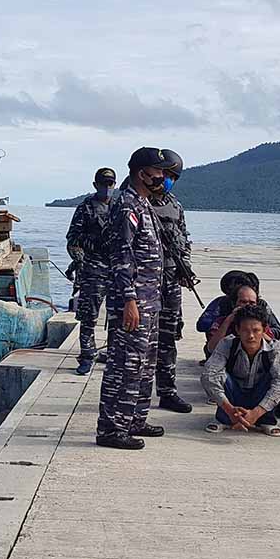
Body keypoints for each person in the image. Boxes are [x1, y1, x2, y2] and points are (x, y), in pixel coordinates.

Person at [96, 147, 175, 450]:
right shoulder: (125, 205)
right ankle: (111, 428)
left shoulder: (144, 203)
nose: (162, 177)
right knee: (124, 365)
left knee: (144, 364)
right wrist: (129, 299)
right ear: (141, 172)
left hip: (149, 300)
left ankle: (135, 419)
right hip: (133, 302)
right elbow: (121, 255)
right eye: (158, 172)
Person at [201, 303, 280, 437]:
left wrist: (255, 414)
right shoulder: (227, 344)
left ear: (264, 329)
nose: (251, 336)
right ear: (237, 330)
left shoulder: (274, 349)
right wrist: (230, 411)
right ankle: (224, 418)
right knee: (217, 375)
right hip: (233, 394)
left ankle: (265, 420)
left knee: (275, 378)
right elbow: (208, 376)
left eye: (256, 330)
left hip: (260, 396)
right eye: (245, 330)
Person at [149, 149, 193, 413]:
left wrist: (184, 266)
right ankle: (134, 397)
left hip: (170, 279)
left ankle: (167, 392)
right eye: (164, 174)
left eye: (172, 176)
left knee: (169, 337)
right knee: (141, 341)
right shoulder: (138, 203)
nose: (166, 180)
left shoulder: (175, 205)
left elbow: (183, 238)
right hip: (146, 281)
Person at [66, 167, 118, 375]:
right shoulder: (85, 207)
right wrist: (80, 259)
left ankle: (114, 354)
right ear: (95, 185)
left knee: (118, 317)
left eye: (110, 184)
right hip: (93, 268)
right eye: (103, 184)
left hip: (117, 269)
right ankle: (87, 356)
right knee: (89, 316)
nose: (107, 188)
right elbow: (73, 238)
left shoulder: (120, 206)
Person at [204, 285, 280, 356]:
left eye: (252, 303)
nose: (247, 305)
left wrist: (257, 331)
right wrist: (228, 320)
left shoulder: (261, 323)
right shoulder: (221, 322)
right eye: (243, 302)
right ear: (234, 303)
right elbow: (211, 348)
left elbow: (274, 347)